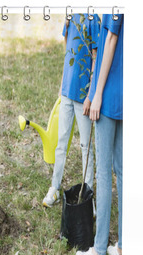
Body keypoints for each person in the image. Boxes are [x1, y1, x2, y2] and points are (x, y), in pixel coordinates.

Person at [76, 14, 124, 255]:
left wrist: (97, 94)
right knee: (124, 173)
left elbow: (111, 39)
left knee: (104, 173)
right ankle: (124, 248)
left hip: (110, 94)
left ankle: (98, 252)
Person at [42, 14, 100, 207]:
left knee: (85, 147)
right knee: (61, 143)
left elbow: (95, 58)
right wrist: (61, 87)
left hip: (83, 96)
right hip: (67, 93)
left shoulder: (92, 20)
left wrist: (90, 95)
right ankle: (54, 187)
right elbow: (68, 53)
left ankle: (88, 196)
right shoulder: (70, 17)